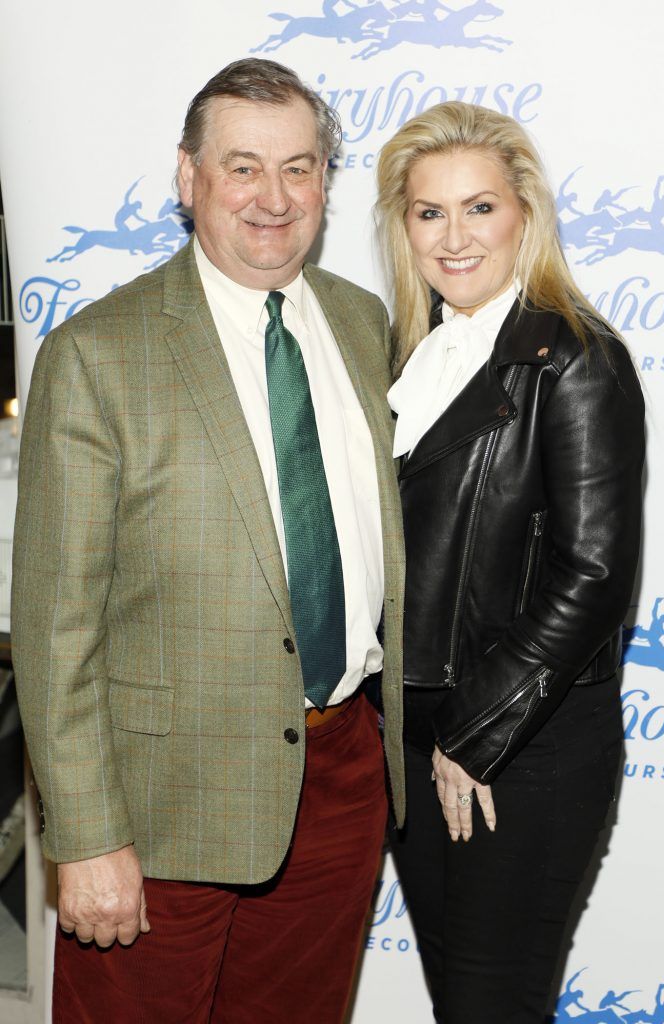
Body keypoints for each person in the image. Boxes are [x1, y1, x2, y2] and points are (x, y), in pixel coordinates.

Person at [12, 58, 405, 1023]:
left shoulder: (363, 323)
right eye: (242, 167)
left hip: (342, 776)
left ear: (325, 181)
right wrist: (87, 835)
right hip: (159, 808)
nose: (274, 199)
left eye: (300, 168)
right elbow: (54, 621)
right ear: (188, 178)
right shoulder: (99, 353)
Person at [374, 101, 644, 1023]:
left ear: (524, 214)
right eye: (428, 212)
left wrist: (473, 736)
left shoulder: (572, 358)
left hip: (520, 745)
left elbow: (596, 574)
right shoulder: (410, 357)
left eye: (479, 208)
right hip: (415, 738)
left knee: (493, 1002)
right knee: (461, 997)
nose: (454, 237)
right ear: (401, 226)